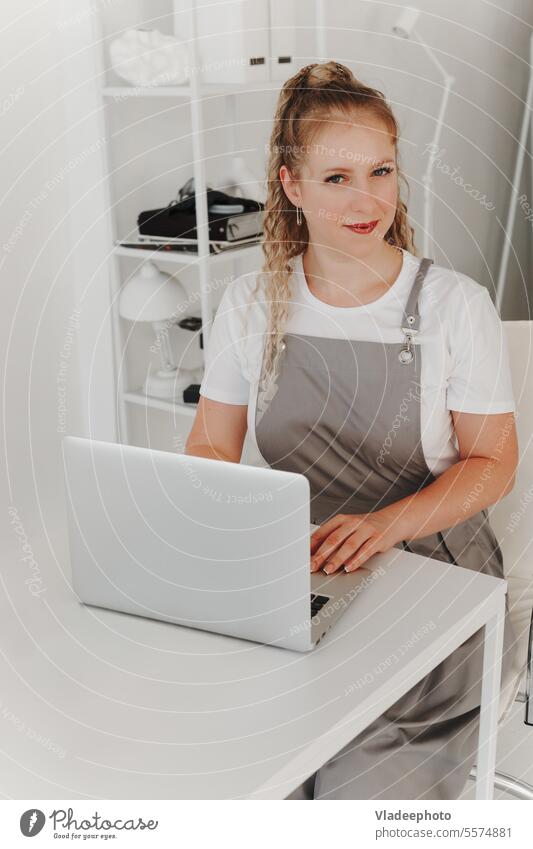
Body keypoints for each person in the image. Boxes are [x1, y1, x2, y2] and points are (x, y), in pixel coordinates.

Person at [185, 61, 519, 800]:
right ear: (290, 185)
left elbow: (492, 462)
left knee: (350, 780)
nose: (366, 198)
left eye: (380, 170)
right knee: (238, 760)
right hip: (299, 565)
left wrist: (381, 527)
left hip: (434, 573)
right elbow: (209, 445)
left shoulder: (452, 306)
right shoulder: (249, 303)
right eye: (336, 177)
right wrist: (242, 527)